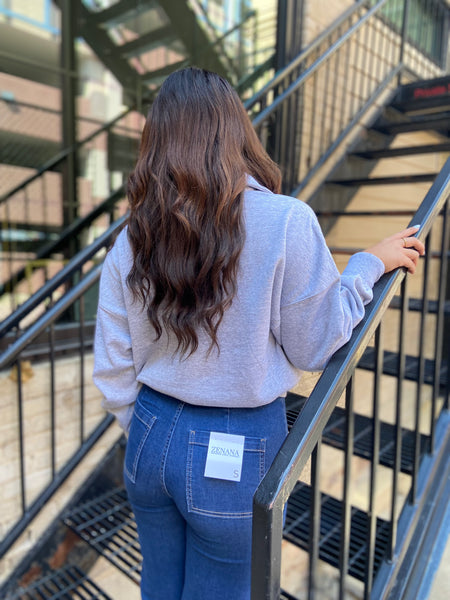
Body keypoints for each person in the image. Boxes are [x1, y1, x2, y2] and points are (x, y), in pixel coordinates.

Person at [93, 67, 424, 600]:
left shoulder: (135, 234)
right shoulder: (284, 221)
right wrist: (364, 267)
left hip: (149, 433)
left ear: (157, 140)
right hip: (233, 445)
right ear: (235, 130)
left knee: (157, 584)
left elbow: (112, 360)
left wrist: (144, 428)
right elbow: (315, 344)